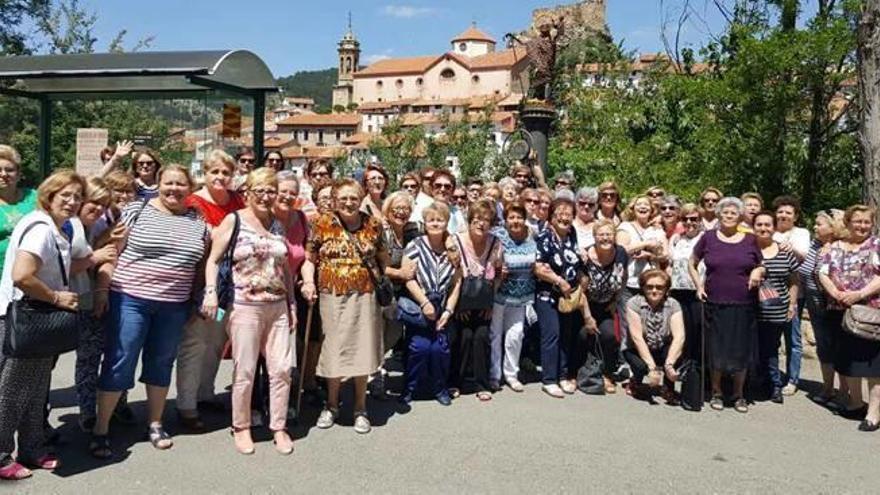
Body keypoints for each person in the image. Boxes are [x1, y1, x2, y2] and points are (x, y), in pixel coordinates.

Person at [91, 164, 209, 457]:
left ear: (190, 188)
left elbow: (201, 266)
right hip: (130, 298)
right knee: (120, 360)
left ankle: (155, 423)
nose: (174, 189)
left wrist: (197, 298)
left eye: (181, 184)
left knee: (161, 362)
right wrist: (102, 290)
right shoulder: (136, 211)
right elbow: (109, 251)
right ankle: (101, 428)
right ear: (158, 184)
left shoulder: (198, 221)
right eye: (169, 183)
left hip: (174, 305)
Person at [202, 168, 295, 455]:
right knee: (245, 369)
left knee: (281, 369)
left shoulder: (278, 224)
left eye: (271, 191)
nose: (266, 197)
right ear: (248, 193)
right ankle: (241, 426)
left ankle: (278, 426)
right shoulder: (235, 220)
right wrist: (211, 293)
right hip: (244, 306)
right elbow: (214, 260)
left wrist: (291, 303)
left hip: (277, 306)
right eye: (260, 191)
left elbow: (285, 268)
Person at [0, 170, 84, 480]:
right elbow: (22, 275)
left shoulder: (50, 225)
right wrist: (56, 298)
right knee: (15, 390)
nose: (73, 201)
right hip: (29, 317)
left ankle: (33, 447)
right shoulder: (42, 229)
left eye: (77, 196)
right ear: (49, 195)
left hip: (34, 318)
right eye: (66, 195)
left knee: (35, 390)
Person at [301, 178, 389, 434]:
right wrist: (308, 282)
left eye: (354, 198)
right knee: (334, 349)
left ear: (360, 198)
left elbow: (383, 257)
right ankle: (331, 404)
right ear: (335, 199)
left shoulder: (373, 224)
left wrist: (374, 276)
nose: (349, 203)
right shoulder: (321, 223)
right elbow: (309, 258)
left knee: (362, 349)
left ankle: (360, 408)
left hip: (364, 295)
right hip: (331, 295)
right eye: (343, 198)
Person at [175, 150, 245, 431]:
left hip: (229, 286)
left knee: (215, 339)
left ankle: (205, 393)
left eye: (225, 173)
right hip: (200, 285)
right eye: (214, 172)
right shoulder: (193, 204)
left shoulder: (237, 201)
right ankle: (186, 403)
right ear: (204, 173)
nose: (220, 177)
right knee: (195, 341)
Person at [689, 197, 764, 413]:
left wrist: (759, 271)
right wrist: (698, 285)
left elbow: (761, 264)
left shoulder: (750, 239)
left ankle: (739, 394)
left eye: (733, 213)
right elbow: (691, 263)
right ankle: (716, 392)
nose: (729, 216)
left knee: (741, 350)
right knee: (717, 350)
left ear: (740, 216)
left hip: (744, 303)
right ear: (719, 215)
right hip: (715, 302)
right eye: (725, 212)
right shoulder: (708, 237)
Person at [817, 205, 880, 431]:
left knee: (873, 367)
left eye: (867, 222)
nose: (862, 226)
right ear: (848, 222)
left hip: (870, 314)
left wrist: (859, 294)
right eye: (858, 221)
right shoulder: (833, 247)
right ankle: (855, 403)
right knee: (847, 361)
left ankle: (873, 413)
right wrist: (835, 293)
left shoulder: (877, 246)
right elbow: (822, 272)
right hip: (839, 310)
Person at [399, 201, 461, 406]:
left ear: (446, 222)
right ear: (424, 223)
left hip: (442, 305)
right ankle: (410, 388)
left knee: (440, 349)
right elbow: (408, 278)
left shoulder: (453, 249)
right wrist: (425, 303)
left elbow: (457, 282)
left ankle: (440, 388)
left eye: (440, 220)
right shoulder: (415, 245)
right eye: (431, 220)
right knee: (419, 348)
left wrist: (449, 310)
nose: (435, 223)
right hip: (420, 304)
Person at [70, 178, 118, 432]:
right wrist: (94, 258)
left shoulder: (97, 225)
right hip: (63, 305)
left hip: (87, 302)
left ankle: (92, 411)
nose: (98, 208)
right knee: (79, 361)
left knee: (90, 358)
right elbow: (57, 267)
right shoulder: (70, 226)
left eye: (103, 204)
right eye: (94, 202)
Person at [450, 200, 502, 400]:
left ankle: (482, 384)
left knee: (481, 336)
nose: (481, 224)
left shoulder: (495, 244)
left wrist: (489, 302)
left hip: (483, 302)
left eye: (487, 220)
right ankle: (455, 382)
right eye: (477, 219)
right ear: (470, 220)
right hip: (460, 300)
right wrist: (460, 304)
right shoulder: (456, 241)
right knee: (463, 336)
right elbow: (452, 275)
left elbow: (498, 275)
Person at [534, 196, 584, 398]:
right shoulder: (543, 237)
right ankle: (549, 379)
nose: (564, 218)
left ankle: (563, 375)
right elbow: (538, 267)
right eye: (560, 214)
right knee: (552, 335)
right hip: (548, 294)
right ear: (551, 217)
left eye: (568, 215)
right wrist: (558, 281)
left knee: (566, 336)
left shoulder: (572, 235)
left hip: (569, 296)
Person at [371, 191, 420, 399]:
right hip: (381, 289)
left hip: (401, 291)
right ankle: (376, 376)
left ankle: (376, 364)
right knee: (378, 333)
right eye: (396, 209)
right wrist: (398, 273)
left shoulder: (412, 231)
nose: (401, 213)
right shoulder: (381, 230)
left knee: (394, 332)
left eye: (405, 209)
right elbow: (374, 263)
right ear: (388, 210)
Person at [753, 211, 799, 404]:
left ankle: (774, 385)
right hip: (750, 309)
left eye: (767, 225)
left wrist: (792, 303)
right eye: (759, 225)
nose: (763, 228)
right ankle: (755, 383)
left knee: (771, 348)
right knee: (753, 348)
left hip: (776, 309)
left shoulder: (784, 252)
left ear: (774, 227)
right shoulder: (747, 250)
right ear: (753, 227)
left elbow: (794, 281)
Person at [490, 201, 536, 392]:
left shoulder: (532, 235)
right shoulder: (498, 236)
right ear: (505, 219)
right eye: (511, 217)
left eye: (519, 217)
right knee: (495, 335)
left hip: (522, 296)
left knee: (516, 335)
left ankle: (511, 374)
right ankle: (494, 374)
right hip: (499, 295)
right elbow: (488, 261)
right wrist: (498, 267)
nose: (515, 221)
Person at [804, 209, 848, 405]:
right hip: (815, 305)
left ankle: (844, 391)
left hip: (835, 306)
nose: (814, 226)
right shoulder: (814, 245)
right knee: (824, 348)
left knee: (840, 348)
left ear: (833, 228)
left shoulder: (842, 248)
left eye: (819, 224)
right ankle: (828, 387)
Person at [624, 269, 685, 404]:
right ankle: (635, 382)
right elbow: (637, 338)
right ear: (643, 288)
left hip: (661, 345)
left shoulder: (673, 304)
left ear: (666, 289)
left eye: (659, 287)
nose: (654, 291)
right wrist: (652, 368)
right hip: (637, 348)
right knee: (640, 366)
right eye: (649, 287)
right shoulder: (634, 303)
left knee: (677, 353)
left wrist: (669, 365)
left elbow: (679, 336)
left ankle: (668, 388)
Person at [582, 219, 628, 393]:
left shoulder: (621, 253)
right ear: (594, 237)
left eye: (609, 234)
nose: (605, 238)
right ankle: (577, 371)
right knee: (582, 336)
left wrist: (616, 301)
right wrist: (587, 316)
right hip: (585, 306)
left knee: (609, 336)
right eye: (601, 235)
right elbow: (581, 289)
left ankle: (607, 374)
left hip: (607, 306)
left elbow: (623, 278)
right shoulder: (586, 256)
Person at [772, 195, 811, 396]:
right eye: (780, 211)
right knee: (771, 338)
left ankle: (793, 378)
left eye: (788, 212)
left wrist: (789, 247)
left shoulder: (801, 233)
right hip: (770, 293)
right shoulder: (769, 230)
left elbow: (804, 255)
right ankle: (771, 376)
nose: (784, 215)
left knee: (793, 338)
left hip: (796, 292)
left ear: (795, 216)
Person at [616, 195, 667, 345]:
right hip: (629, 283)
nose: (643, 207)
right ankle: (628, 359)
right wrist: (646, 243)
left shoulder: (657, 230)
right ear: (632, 208)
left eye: (646, 205)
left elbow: (665, 255)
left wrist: (650, 254)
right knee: (628, 324)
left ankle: (650, 360)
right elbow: (621, 249)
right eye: (639, 204)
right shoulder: (625, 227)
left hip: (652, 284)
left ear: (652, 210)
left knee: (651, 323)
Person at [669, 203, 704, 362]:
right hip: (677, 290)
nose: (689, 222)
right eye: (685, 219)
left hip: (697, 290)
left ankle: (696, 367)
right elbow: (670, 263)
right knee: (680, 331)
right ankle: (681, 366)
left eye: (694, 219)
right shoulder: (676, 239)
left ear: (700, 219)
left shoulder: (705, 238)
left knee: (697, 330)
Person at [0, 145, 38, 275]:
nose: (4, 174)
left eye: (9, 170)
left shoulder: (35, 197)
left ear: (18, 174)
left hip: (33, 275)